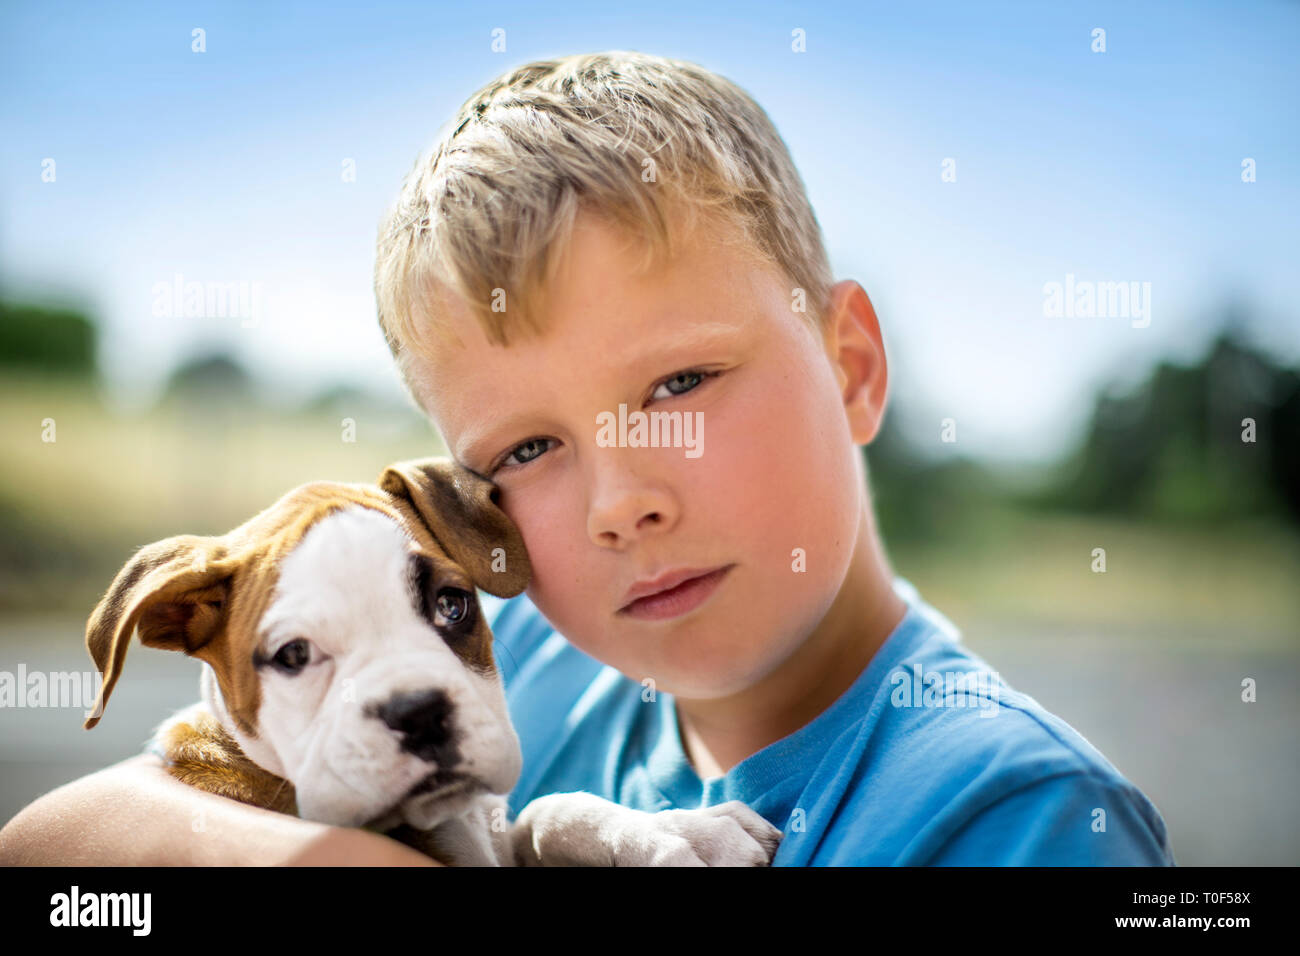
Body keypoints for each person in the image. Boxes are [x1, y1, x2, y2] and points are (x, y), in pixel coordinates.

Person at [0, 50, 1173, 866]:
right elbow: (47, 841)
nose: (622, 502)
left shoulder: (1011, 816)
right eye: (526, 447)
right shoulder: (512, 663)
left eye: (679, 383)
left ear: (852, 364)